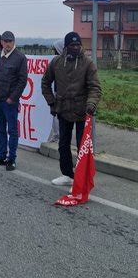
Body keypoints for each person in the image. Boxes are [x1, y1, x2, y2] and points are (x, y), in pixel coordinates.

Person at [41, 31, 101, 186]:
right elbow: (45, 82)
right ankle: (67, 174)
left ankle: (82, 178)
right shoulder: (56, 63)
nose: (75, 47)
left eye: (77, 44)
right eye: (72, 45)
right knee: (63, 145)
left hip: (82, 111)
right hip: (62, 110)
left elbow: (95, 87)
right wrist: (52, 102)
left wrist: (91, 104)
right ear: (66, 47)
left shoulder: (88, 63)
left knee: (83, 147)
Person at [0, 31, 28, 172]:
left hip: (9, 102)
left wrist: (12, 98)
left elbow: (22, 81)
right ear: (2, 42)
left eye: (10, 41)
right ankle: (1, 156)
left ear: (14, 42)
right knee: (0, 130)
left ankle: (11, 159)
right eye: (5, 41)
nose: (8, 44)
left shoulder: (20, 58)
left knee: (12, 131)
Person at [48, 39, 64, 143]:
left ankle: (59, 136)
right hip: (56, 92)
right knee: (55, 117)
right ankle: (56, 135)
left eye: (55, 49)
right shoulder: (55, 61)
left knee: (59, 117)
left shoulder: (63, 62)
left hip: (62, 93)